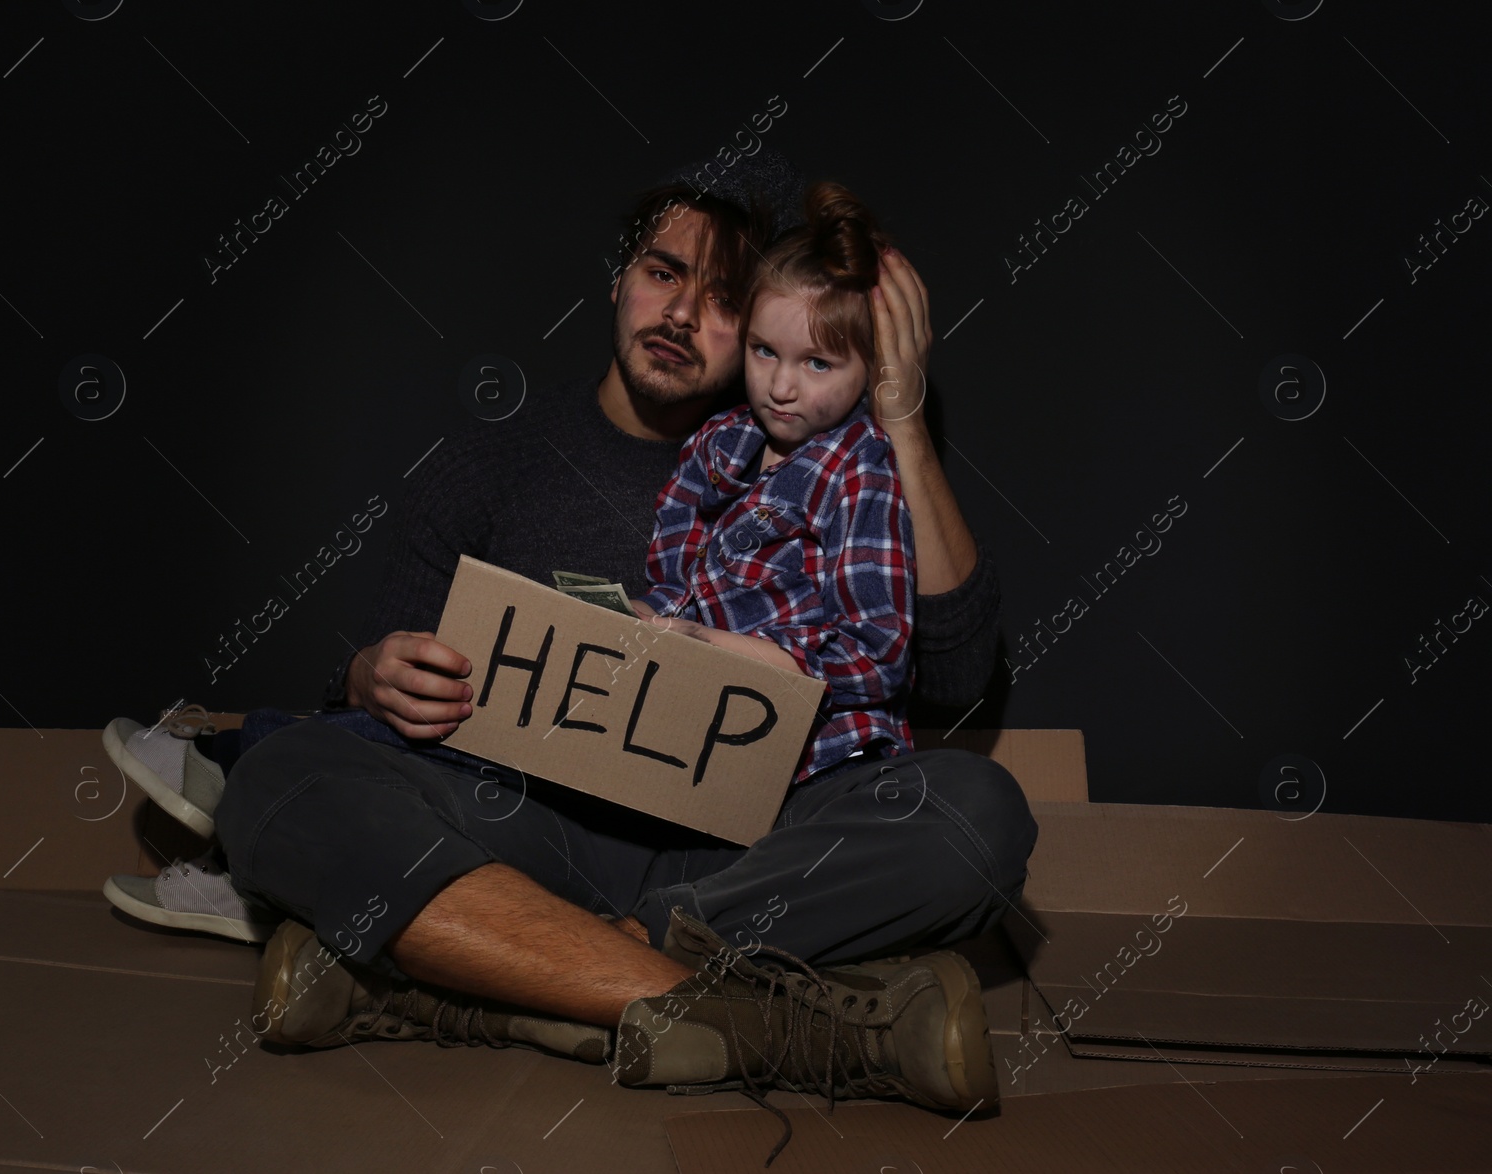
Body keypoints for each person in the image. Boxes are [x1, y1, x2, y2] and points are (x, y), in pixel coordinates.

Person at [101, 150, 1037, 1160]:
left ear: (766, 315)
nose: (681, 312)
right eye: (661, 272)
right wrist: (373, 671)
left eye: (723, 298)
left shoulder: (827, 456)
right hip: (532, 827)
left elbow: (948, 674)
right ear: (618, 281)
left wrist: (901, 417)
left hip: (744, 844)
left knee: (978, 816)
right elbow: (365, 689)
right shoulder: (492, 460)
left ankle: (467, 993)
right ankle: (768, 1017)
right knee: (284, 777)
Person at [629, 179, 917, 790]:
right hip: (709, 745)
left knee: (945, 807)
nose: (781, 387)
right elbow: (670, 586)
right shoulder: (715, 442)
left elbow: (877, 658)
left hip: (829, 758)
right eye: (764, 352)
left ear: (870, 369)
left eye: (817, 363)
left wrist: (708, 645)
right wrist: (631, 621)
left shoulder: (860, 467)